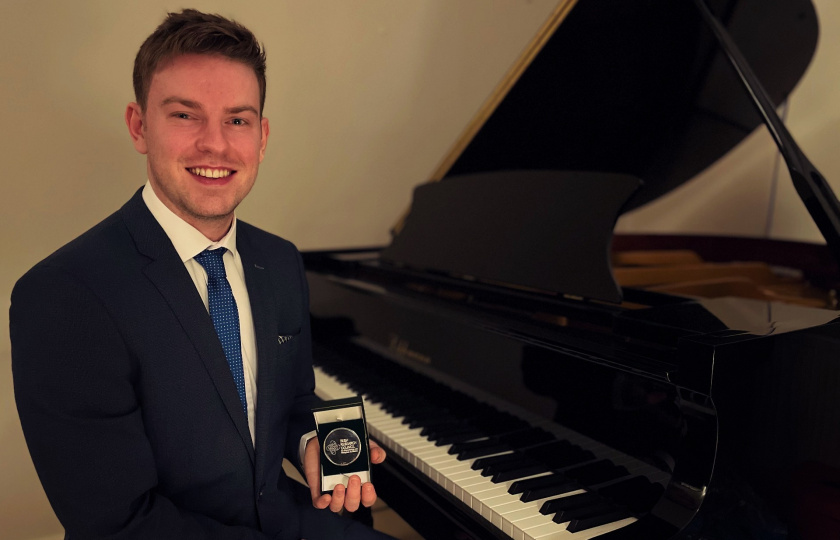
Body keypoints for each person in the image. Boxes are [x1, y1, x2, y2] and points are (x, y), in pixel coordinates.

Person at [11, 9, 393, 540]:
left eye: (237, 120)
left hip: (291, 522)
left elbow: (295, 400)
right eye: (185, 115)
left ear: (261, 136)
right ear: (139, 126)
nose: (216, 145)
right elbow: (119, 525)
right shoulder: (60, 296)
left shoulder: (280, 260)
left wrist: (312, 444)